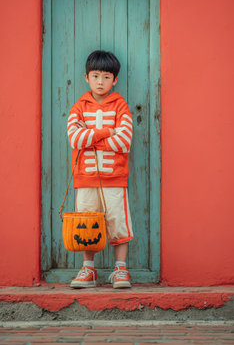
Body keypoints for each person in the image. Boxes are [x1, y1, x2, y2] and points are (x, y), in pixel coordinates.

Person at [67, 50, 133, 289]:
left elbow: (124, 141)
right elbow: (75, 138)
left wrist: (91, 137)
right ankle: (88, 269)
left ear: (114, 80)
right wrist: (108, 132)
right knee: (87, 222)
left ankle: (121, 269)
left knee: (118, 222)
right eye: (95, 76)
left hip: (114, 177)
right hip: (85, 178)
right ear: (87, 77)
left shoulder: (121, 106)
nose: (100, 82)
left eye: (106, 77)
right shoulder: (79, 107)